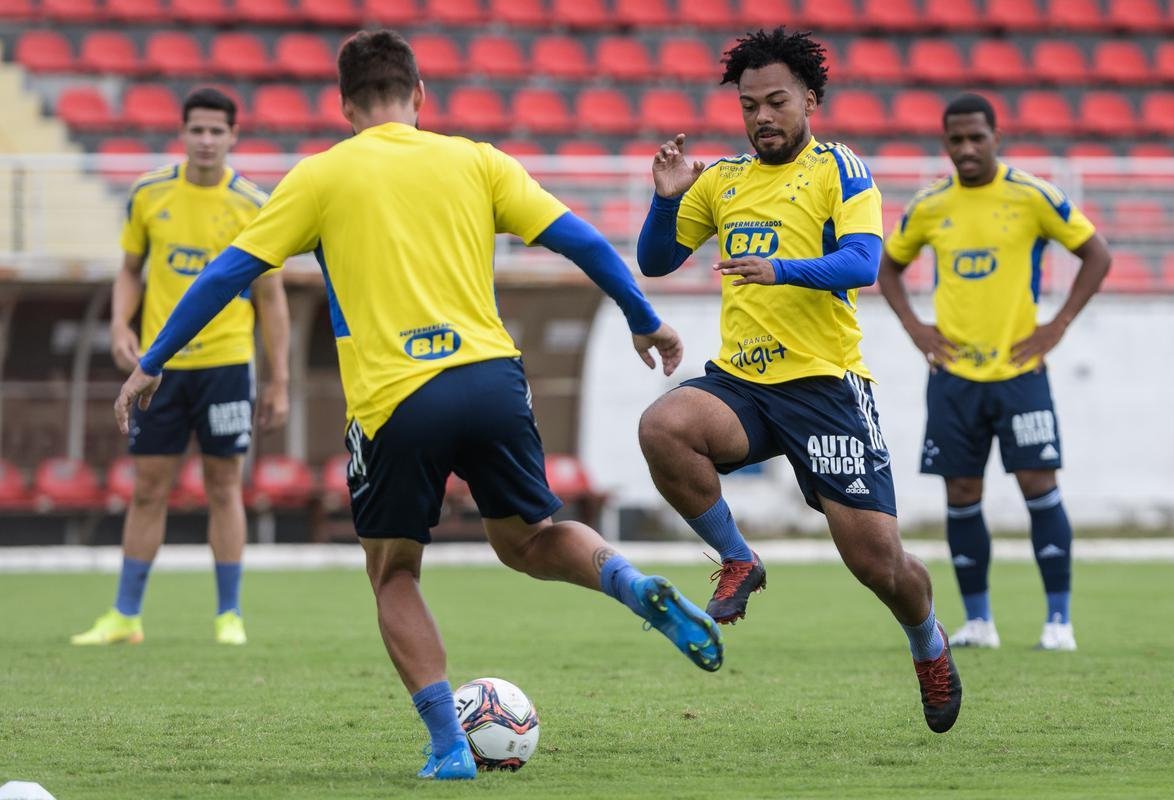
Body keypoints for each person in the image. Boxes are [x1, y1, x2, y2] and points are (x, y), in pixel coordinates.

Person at [113, 31, 723, 781]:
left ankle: (447, 748)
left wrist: (151, 361)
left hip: (397, 399)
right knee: (530, 537)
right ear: (420, 95)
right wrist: (643, 317)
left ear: (344, 107)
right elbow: (583, 241)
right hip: (494, 381)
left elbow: (224, 274)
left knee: (395, 573)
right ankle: (632, 585)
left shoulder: (319, 176)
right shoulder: (476, 159)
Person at [636, 27, 960, 733]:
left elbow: (862, 262)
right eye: (750, 105)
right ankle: (736, 557)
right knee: (663, 428)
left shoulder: (839, 169)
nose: (762, 117)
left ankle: (927, 644)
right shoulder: (722, 180)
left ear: (810, 98)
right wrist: (665, 198)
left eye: (777, 101)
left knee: (879, 567)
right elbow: (657, 261)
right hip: (745, 385)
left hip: (826, 387)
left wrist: (781, 268)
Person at [878, 93, 1111, 652]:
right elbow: (889, 268)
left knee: (1038, 484)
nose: (966, 149)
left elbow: (1097, 254)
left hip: (1020, 372)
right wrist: (916, 329)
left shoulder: (1032, 196)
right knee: (960, 490)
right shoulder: (931, 204)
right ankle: (979, 621)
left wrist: (1055, 327)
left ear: (995, 138)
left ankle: (1059, 621)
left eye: (976, 138)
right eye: (955, 140)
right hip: (954, 375)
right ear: (945, 144)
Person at [72, 88, 290, 648]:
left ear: (234, 136)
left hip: (225, 367)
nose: (207, 140)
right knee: (148, 489)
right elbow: (129, 271)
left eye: (218, 131)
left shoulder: (253, 203)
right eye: (198, 129)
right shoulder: (148, 193)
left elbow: (271, 298)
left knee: (224, 487)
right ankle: (125, 615)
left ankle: (229, 615)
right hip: (161, 369)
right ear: (183, 131)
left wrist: (280, 379)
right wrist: (121, 326)